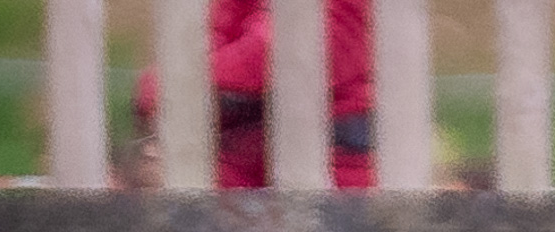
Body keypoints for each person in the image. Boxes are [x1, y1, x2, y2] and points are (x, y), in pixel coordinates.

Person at [132, 0, 374, 189]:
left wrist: (178, 83)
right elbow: (211, 34)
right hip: (253, 155)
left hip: (338, 169)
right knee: (152, 179)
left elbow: (274, 57)